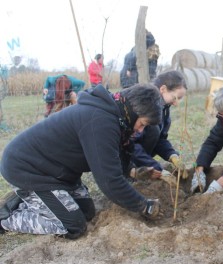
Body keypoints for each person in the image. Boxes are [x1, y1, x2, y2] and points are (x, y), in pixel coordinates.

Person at [0, 84, 163, 239]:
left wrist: (132, 170)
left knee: (87, 213)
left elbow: (113, 155)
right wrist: (143, 205)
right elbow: (110, 182)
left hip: (57, 172)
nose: (140, 130)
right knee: (73, 226)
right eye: (142, 124)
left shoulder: (116, 115)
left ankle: (32, 198)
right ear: (134, 111)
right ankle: (6, 218)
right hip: (27, 169)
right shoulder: (100, 121)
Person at [129, 70, 188, 180]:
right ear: (163, 89)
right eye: (175, 98)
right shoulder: (143, 106)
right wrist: (156, 168)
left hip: (141, 155)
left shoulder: (164, 109)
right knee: (154, 129)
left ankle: (142, 165)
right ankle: (132, 170)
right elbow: (131, 145)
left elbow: (160, 140)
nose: (176, 103)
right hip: (126, 157)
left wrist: (172, 155)